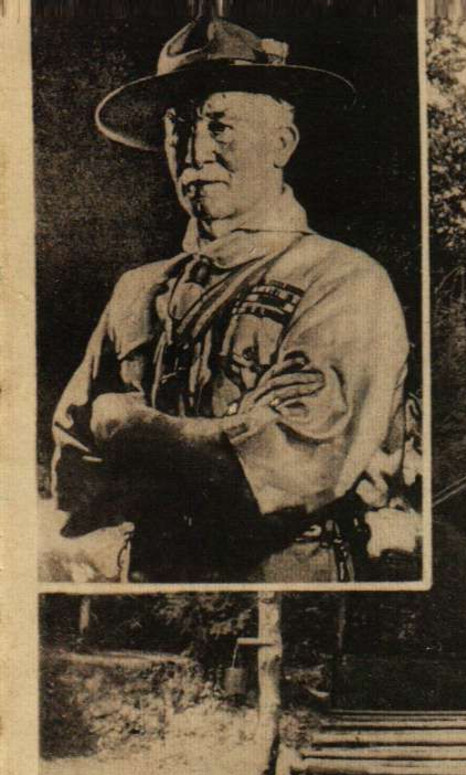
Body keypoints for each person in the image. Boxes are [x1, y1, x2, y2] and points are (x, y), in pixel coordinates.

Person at [45, 10, 417, 583]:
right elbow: (73, 470)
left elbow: (283, 474)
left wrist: (129, 426)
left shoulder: (344, 283)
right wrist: (217, 441)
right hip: (147, 576)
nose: (194, 151)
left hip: (281, 583)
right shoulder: (137, 292)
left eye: (220, 126)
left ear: (282, 143)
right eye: (178, 128)